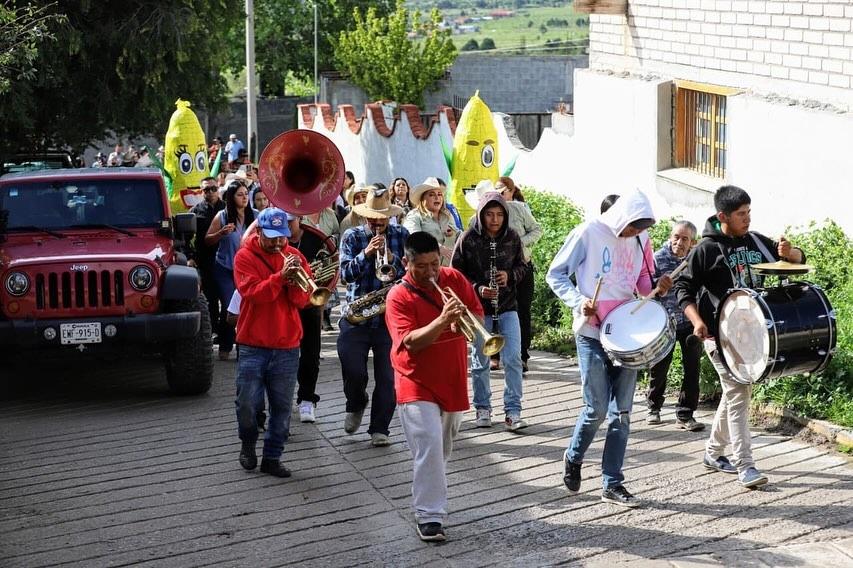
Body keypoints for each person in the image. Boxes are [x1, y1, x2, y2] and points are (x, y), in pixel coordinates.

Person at [674, 185, 805, 489]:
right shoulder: (706, 249)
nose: (747, 219)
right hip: (719, 336)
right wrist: (696, 321)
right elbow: (684, 289)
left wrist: (792, 253)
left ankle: (712, 452)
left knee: (736, 393)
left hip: (754, 335)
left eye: (749, 212)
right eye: (741, 214)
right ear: (723, 216)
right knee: (738, 393)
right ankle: (745, 465)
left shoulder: (756, 241)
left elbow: (797, 261)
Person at [546, 189, 671, 507]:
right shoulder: (588, 232)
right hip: (591, 331)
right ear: (622, 217)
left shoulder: (641, 239)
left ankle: (612, 483)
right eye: (633, 227)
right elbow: (556, 274)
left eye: (642, 228)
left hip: (627, 334)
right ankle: (573, 457)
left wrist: (656, 286)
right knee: (596, 409)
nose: (636, 234)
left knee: (623, 414)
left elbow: (643, 280)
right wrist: (579, 301)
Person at [385, 232, 483, 542]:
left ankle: (426, 491)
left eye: (434, 265)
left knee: (440, 449)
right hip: (414, 378)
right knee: (428, 443)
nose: (430, 273)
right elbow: (411, 343)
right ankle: (429, 516)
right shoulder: (398, 296)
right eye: (422, 267)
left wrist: (466, 323)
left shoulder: (453, 276)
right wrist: (443, 321)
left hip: (451, 375)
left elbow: (477, 314)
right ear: (406, 262)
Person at [233, 207, 311, 478]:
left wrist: (292, 282)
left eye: (282, 237)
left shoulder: (296, 257)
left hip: (287, 344)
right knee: (247, 404)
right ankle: (248, 442)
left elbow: (303, 301)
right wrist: (280, 278)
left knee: (281, 407)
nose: (278, 243)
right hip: (253, 343)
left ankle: (272, 457)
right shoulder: (244, 257)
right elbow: (253, 294)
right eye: (272, 237)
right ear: (259, 232)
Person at [451, 189, 529, 431]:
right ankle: (482, 408)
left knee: (513, 358)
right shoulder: (467, 238)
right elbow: (456, 273)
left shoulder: (513, 237)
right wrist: (477, 288)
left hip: (507, 306)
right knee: (480, 359)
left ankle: (513, 411)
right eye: (489, 215)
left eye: (499, 215)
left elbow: (523, 266)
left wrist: (510, 275)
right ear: (481, 214)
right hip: (478, 309)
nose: (495, 220)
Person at [337, 187, 408, 447]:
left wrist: (394, 260)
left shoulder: (401, 234)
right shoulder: (352, 236)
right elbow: (345, 275)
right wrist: (366, 253)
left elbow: (409, 273)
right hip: (357, 315)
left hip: (388, 317)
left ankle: (380, 429)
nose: (378, 223)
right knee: (353, 370)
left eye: (383, 218)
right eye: (373, 219)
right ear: (365, 217)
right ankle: (356, 403)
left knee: (388, 378)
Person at [646, 221, 705, 431]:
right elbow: (646, 290)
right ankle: (653, 406)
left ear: (692, 242)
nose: (678, 242)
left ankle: (685, 414)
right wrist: (657, 286)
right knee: (660, 365)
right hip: (664, 321)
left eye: (685, 239)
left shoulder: (695, 260)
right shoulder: (657, 258)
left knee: (692, 367)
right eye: (676, 237)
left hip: (689, 320)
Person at [493, 177, 542, 374]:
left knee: (523, 310)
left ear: (511, 191)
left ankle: (522, 356)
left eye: (503, 190)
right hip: (497, 268)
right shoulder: (488, 209)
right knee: (494, 309)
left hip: (522, 266)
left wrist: (518, 242)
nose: (500, 194)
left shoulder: (520, 208)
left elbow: (537, 230)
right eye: (496, 190)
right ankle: (494, 355)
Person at [205, 180, 257, 360]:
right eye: (240, 194)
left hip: (248, 271)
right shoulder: (222, 215)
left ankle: (244, 348)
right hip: (226, 269)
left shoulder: (256, 216)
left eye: (246, 194)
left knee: (246, 306)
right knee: (230, 307)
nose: (244, 198)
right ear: (231, 197)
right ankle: (226, 345)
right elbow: (207, 240)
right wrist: (221, 234)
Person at [190, 177, 226, 335]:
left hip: (227, 259)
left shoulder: (228, 208)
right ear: (201, 191)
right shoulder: (195, 212)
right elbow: (185, 238)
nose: (210, 192)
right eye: (206, 190)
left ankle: (226, 334)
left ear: (218, 189)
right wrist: (190, 257)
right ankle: (213, 332)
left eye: (213, 189)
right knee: (210, 299)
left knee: (227, 298)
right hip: (206, 260)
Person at [403, 177, 460, 266]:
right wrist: (438, 247)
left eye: (440, 194)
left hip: (448, 270)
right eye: (432, 195)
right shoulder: (414, 216)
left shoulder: (447, 216)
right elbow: (415, 238)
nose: (437, 197)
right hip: (425, 270)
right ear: (423, 199)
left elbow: (458, 234)